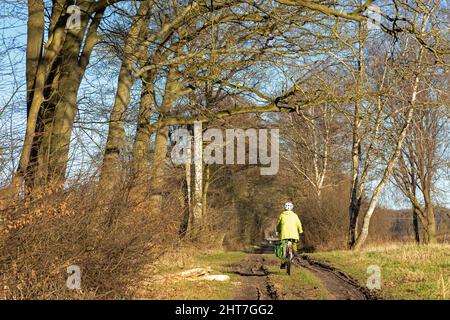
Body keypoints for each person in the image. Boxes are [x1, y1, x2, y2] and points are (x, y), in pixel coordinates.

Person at [276, 201, 303, 269]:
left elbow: (279, 225)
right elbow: (298, 224)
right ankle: (295, 252)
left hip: (284, 235)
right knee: (294, 244)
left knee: (283, 249)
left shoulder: (282, 215)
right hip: (294, 235)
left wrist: (278, 230)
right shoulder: (295, 215)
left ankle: (283, 263)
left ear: (285, 208)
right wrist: (300, 230)